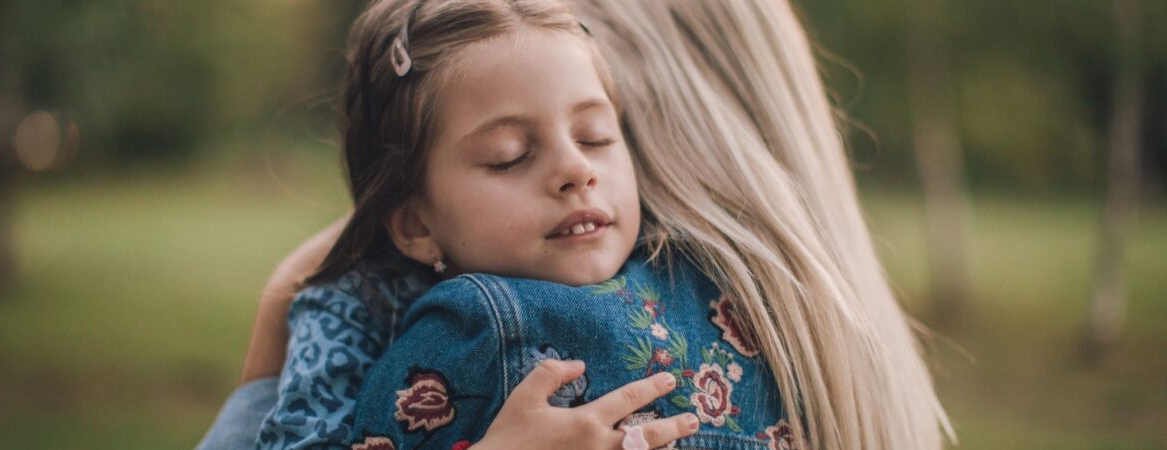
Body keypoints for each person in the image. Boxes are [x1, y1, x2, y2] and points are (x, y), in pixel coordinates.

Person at [198, 0, 955, 449]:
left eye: (597, 137)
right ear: (414, 223)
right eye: (507, 155)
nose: (575, 169)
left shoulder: (711, 283)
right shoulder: (446, 326)